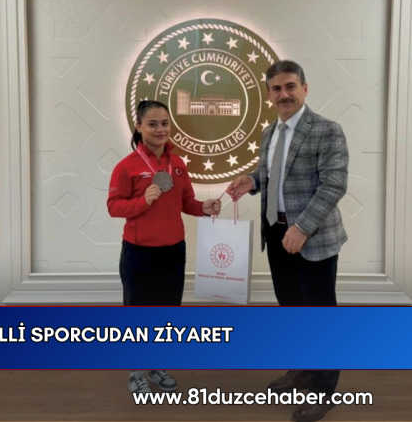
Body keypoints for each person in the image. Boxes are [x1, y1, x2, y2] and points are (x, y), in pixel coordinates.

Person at [227, 60, 349, 422]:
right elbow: (273, 173)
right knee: (292, 308)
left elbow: (334, 185)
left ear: (304, 88)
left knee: (320, 315)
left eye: (291, 86)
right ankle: (304, 368)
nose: (284, 94)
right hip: (276, 234)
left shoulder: (327, 130)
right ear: (269, 95)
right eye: (277, 89)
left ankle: (324, 388)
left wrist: (302, 228)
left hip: (312, 237)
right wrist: (252, 181)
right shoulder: (270, 132)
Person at [108, 100, 221, 394]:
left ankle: (157, 365)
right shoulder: (126, 167)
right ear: (139, 127)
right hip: (139, 252)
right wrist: (142, 201)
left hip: (173, 251)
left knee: (167, 312)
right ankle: (135, 371)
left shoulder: (178, 164)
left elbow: (186, 202)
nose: (160, 129)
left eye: (164, 123)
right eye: (153, 124)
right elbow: (114, 207)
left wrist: (204, 207)